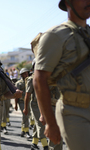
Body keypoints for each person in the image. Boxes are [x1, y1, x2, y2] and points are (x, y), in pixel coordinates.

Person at [33, 0, 90, 150]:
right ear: (69, 3)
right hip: (74, 111)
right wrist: (50, 122)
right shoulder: (55, 35)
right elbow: (39, 80)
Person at [23, 59, 48, 150]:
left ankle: (34, 143)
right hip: (35, 105)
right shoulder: (31, 79)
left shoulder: (44, 77)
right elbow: (27, 95)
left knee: (38, 125)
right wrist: (26, 108)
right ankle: (45, 146)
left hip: (44, 104)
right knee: (41, 125)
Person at [15, 68, 31, 139]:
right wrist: (15, 105)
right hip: (21, 102)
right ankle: (26, 132)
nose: (26, 74)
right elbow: (16, 95)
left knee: (26, 116)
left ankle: (23, 131)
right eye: (24, 73)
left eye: (27, 73)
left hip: (28, 101)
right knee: (25, 115)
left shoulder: (30, 81)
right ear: (21, 75)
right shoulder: (19, 83)